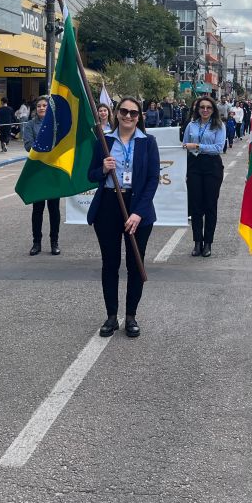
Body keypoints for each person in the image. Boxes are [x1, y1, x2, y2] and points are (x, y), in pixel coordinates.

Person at [88, 96, 160, 338]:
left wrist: (138, 212)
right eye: (124, 112)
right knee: (110, 264)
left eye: (134, 113)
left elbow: (152, 179)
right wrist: (104, 169)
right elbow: (91, 174)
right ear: (116, 113)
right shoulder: (104, 141)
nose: (128, 117)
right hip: (109, 205)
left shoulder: (148, 142)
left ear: (139, 117)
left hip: (137, 207)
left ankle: (131, 316)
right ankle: (111, 316)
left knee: (134, 265)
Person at [182, 95, 226, 257]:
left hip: (212, 166)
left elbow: (219, 147)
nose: (205, 110)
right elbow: (185, 145)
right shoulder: (191, 125)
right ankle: (197, 243)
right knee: (196, 206)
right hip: (194, 166)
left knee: (210, 206)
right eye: (202, 107)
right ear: (197, 109)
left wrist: (198, 146)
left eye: (208, 107)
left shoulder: (218, 125)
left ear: (213, 109)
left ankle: (208, 243)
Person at [22, 96, 62, 256]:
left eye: (45, 105)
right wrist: (47, 148)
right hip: (37, 172)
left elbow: (60, 145)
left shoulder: (56, 125)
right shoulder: (30, 125)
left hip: (52, 172)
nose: (42, 108)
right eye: (39, 106)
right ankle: (36, 242)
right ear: (35, 109)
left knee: (54, 210)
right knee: (37, 210)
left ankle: (54, 242)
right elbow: (28, 145)